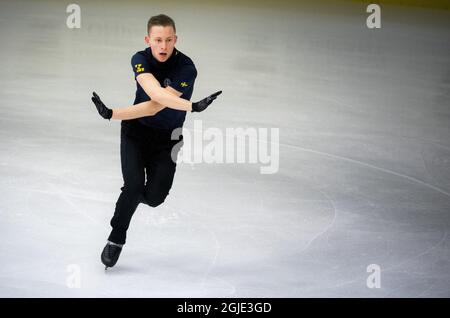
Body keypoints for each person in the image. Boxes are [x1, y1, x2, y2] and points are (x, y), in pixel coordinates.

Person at [91, 14, 222, 269]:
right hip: (135, 132)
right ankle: (116, 237)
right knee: (132, 187)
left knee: (153, 198)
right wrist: (193, 106)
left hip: (168, 139)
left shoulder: (186, 68)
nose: (163, 46)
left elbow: (158, 105)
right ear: (148, 39)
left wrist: (112, 113)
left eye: (168, 40)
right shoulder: (140, 59)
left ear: (176, 40)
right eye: (158, 40)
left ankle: (135, 195)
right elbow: (153, 98)